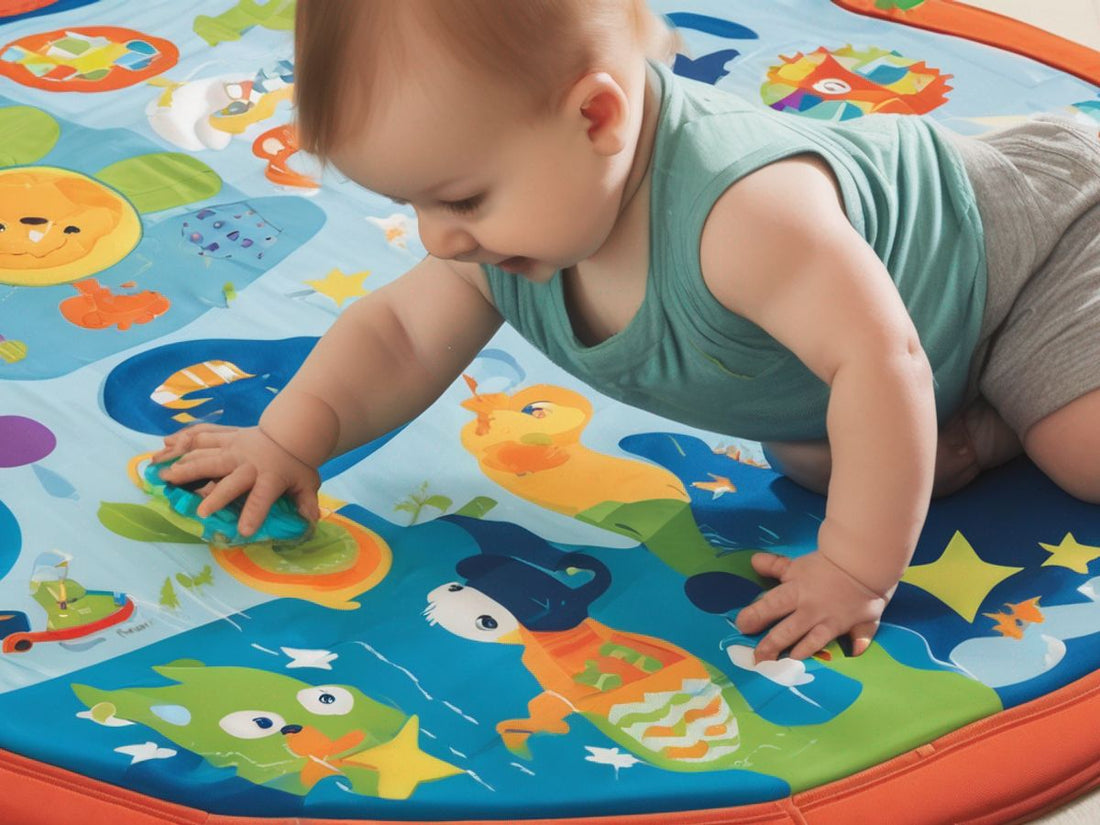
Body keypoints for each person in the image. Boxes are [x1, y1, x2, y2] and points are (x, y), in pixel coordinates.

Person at [154, 0, 1100, 664]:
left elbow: (878, 358)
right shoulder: (510, 229)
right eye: (410, 204)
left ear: (596, 115)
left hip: (1036, 249)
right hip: (901, 338)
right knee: (823, 452)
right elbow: (400, 334)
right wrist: (288, 438)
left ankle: (1013, 407)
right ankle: (985, 415)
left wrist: (854, 565)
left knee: (1080, 453)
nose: (440, 238)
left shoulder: (747, 215)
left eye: (460, 198)